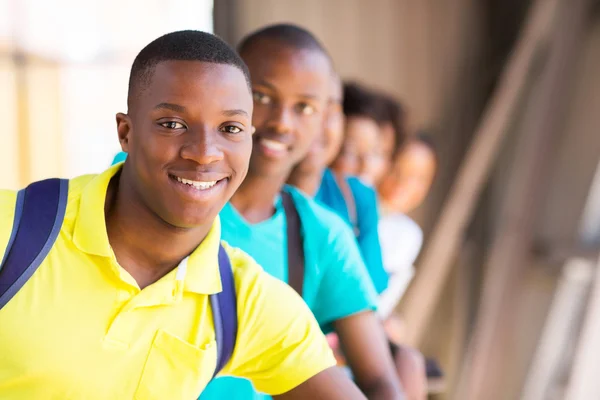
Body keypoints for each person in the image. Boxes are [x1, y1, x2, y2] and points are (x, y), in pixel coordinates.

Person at [0, 30, 368, 400]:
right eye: (173, 124)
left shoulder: (243, 300)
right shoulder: (14, 233)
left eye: (230, 129)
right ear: (125, 133)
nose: (205, 152)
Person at [201, 24, 403, 400]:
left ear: (326, 117)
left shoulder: (321, 235)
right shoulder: (170, 196)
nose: (281, 121)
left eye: (304, 107)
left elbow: (379, 379)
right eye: (262, 96)